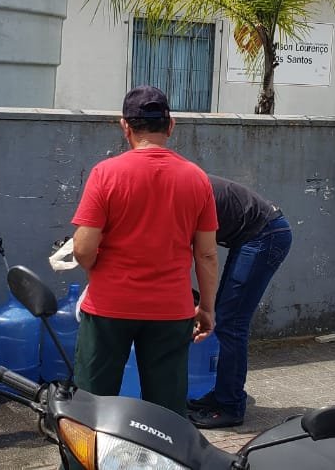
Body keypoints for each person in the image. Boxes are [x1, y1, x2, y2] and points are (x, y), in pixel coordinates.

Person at [70, 85, 220, 416]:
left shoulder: (105, 174)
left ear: (125, 126)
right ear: (171, 125)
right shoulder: (197, 179)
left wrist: (98, 270)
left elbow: (82, 247)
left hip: (109, 306)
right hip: (171, 309)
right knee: (166, 412)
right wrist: (206, 308)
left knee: (90, 408)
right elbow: (207, 254)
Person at [187, 176, 292, 429]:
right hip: (255, 234)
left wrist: (203, 307)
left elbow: (203, 255)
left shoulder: (178, 192)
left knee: (231, 323)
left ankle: (230, 406)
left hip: (265, 235)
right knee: (227, 319)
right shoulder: (173, 185)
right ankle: (223, 394)